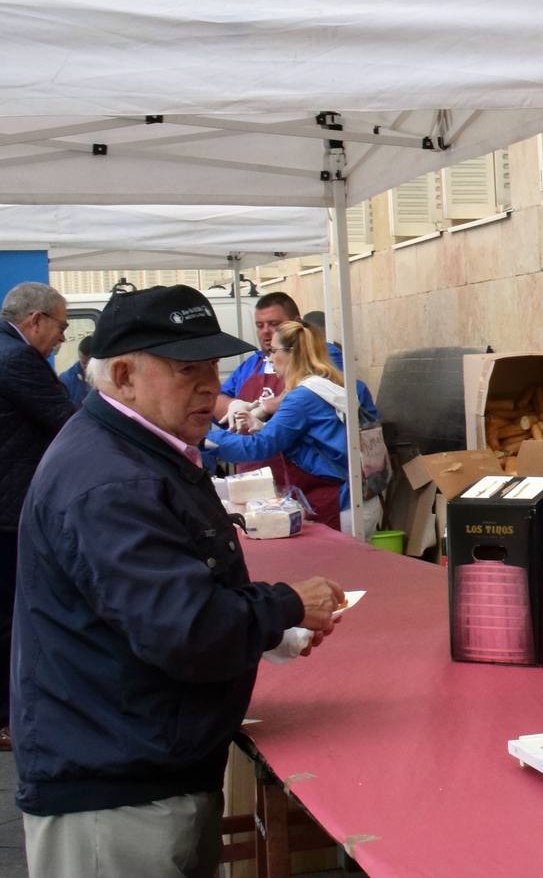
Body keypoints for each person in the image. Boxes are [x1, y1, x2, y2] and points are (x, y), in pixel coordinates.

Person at [13, 285, 342, 878]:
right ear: (123, 375)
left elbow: (169, 596)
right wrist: (285, 605)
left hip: (144, 763)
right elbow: (184, 629)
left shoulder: (141, 453)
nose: (208, 386)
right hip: (116, 788)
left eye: (211, 367)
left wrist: (267, 631)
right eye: (186, 369)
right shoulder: (111, 478)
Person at [0, 283, 75, 753]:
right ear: (35, 321)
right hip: (9, 509)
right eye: (62, 327)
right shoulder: (17, 359)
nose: (63, 338)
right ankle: (9, 717)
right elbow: (69, 423)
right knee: (9, 614)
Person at [205, 321, 364, 531]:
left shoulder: (302, 397)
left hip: (339, 498)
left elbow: (259, 447)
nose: (270, 359)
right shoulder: (326, 383)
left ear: (291, 353)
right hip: (354, 493)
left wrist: (204, 440)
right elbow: (315, 438)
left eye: (273, 351)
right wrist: (262, 425)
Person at [214, 292, 375, 445]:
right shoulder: (251, 364)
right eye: (259, 325)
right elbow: (215, 399)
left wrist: (266, 407)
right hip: (254, 467)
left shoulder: (321, 353)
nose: (265, 332)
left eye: (274, 324)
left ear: (297, 323)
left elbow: (322, 388)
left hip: (303, 468)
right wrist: (233, 405)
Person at [56, 336, 93, 409]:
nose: (85, 367)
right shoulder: (65, 380)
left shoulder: (106, 376)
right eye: (83, 362)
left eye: (89, 363)